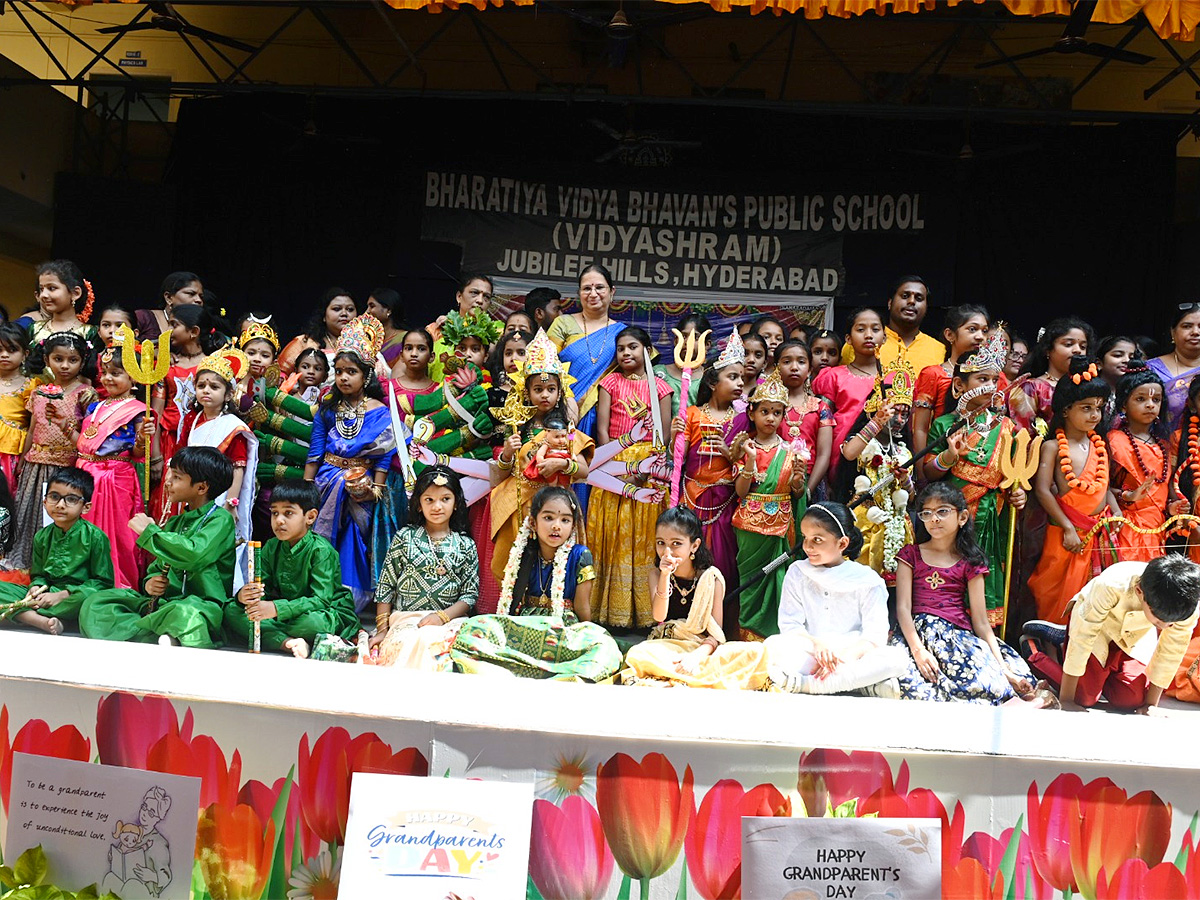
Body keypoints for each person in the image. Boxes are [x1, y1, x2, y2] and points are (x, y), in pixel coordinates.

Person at [893, 483, 1047, 706]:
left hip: (956, 636)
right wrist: (918, 651)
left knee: (989, 683)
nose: (934, 519)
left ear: (962, 517)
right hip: (915, 635)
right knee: (911, 686)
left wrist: (1003, 668)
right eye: (927, 513)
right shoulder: (910, 555)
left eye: (942, 511)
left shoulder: (970, 563)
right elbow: (903, 609)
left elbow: (982, 623)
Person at [452, 486, 622, 681]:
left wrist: (586, 636)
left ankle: (525, 670)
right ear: (533, 522)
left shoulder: (580, 555)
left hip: (561, 632)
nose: (556, 526)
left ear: (573, 526)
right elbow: (512, 603)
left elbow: (582, 607)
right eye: (548, 518)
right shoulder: (523, 551)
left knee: (603, 646)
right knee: (476, 627)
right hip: (525, 627)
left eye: (565, 520)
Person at [80, 446, 235, 648]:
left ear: (201, 488)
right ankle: (163, 633)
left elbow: (194, 554)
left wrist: (150, 532)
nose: (168, 482)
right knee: (97, 603)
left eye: (177, 477)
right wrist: (149, 583)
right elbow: (157, 569)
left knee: (186, 614)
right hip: (163, 605)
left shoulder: (220, 519)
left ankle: (159, 632)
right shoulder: (175, 522)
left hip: (199, 605)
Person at [923, 332, 1027, 628]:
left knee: (989, 574)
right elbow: (928, 474)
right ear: (959, 385)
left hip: (993, 517)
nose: (990, 386)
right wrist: (949, 457)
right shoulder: (945, 425)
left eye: (994, 380)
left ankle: (987, 637)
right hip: (953, 519)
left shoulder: (1007, 427)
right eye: (982, 379)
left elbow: (1014, 475)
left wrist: (1018, 495)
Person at [763, 502, 907, 696]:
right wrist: (816, 646)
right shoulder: (797, 572)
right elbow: (790, 626)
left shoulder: (868, 580)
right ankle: (864, 686)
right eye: (805, 538)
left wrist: (843, 657)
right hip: (811, 653)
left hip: (852, 655)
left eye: (817, 539)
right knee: (773, 647)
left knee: (896, 658)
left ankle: (807, 685)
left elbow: (874, 636)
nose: (808, 546)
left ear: (842, 544)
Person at [1024, 555, 1200, 712]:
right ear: (1139, 592)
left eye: (1172, 622)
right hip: (1096, 629)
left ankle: (1089, 666)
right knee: (1084, 697)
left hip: (1135, 637)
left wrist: (1150, 705)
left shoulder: (1188, 603)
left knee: (1132, 700)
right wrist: (1067, 700)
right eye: (1159, 619)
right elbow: (1083, 636)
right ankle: (1034, 651)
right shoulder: (1110, 584)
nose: (1166, 625)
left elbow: (1171, 651)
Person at [305, 314, 396, 611]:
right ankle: (319, 593)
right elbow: (315, 451)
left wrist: (375, 490)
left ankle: (350, 599)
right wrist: (307, 489)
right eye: (340, 371)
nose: (344, 377)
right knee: (322, 539)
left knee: (354, 538)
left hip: (362, 484)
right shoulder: (327, 407)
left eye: (351, 371)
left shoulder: (381, 412)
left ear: (366, 376)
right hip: (326, 480)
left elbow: (384, 455)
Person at [623, 507, 767, 690]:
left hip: (702, 648)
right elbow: (660, 616)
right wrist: (665, 575)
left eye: (676, 543)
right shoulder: (656, 574)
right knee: (639, 653)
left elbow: (716, 635)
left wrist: (695, 657)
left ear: (694, 545)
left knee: (755, 652)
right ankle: (693, 677)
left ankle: (681, 675)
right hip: (668, 645)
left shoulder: (711, 578)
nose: (667, 551)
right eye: (661, 543)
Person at [587, 326, 671, 628]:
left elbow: (663, 432)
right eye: (621, 348)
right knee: (614, 531)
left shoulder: (660, 387)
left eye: (632, 347)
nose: (626, 353)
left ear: (646, 351)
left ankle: (648, 613)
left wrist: (650, 467)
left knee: (645, 535)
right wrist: (618, 463)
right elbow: (603, 430)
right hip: (614, 459)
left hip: (649, 465)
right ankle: (607, 611)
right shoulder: (609, 383)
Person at [224, 480, 358, 659]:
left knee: (312, 623)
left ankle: (277, 636)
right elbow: (260, 588)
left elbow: (320, 600)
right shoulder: (271, 546)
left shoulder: (321, 550)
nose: (279, 520)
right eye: (274, 513)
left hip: (319, 612)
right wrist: (245, 596)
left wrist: (276, 609)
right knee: (232, 611)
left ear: (310, 517)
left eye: (288, 513)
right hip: (282, 613)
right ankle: (289, 643)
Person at [1027, 359, 1115, 625]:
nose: (1094, 416)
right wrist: (1067, 527)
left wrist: (1117, 518)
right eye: (1086, 408)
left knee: (1096, 600)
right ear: (1065, 410)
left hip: (1098, 533)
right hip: (1065, 534)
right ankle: (1050, 654)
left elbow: (1106, 488)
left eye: (1098, 408)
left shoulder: (1100, 445)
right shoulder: (1052, 446)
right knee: (1054, 594)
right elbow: (1042, 490)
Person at [4, 333, 96, 573]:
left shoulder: (86, 393)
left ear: (82, 361)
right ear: (46, 359)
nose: (65, 365)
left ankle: (56, 565)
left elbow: (88, 434)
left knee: (58, 515)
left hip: (65, 465)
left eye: (72, 360)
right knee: (28, 515)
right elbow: (33, 428)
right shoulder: (39, 392)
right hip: (35, 463)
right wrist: (23, 459)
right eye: (58, 359)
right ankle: (27, 564)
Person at [672, 331, 746, 620]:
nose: (741, 383)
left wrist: (729, 453)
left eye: (742, 378)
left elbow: (744, 462)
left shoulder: (742, 418)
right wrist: (673, 435)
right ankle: (685, 619)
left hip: (724, 503)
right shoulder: (691, 414)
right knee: (689, 561)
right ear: (713, 383)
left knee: (723, 564)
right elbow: (677, 458)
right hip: (692, 499)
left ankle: (719, 623)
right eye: (733, 377)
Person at [373, 467, 478, 668]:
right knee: (419, 643)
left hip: (450, 621)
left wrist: (442, 616)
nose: (437, 506)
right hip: (407, 621)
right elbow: (385, 586)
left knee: (451, 651)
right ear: (419, 505)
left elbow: (469, 595)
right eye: (429, 500)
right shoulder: (405, 538)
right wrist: (381, 630)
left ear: (456, 503)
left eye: (445, 499)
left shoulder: (466, 544)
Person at [176, 348, 259, 588]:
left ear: (228, 393)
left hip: (220, 496)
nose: (206, 391)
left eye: (214, 387)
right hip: (190, 493)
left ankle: (217, 591)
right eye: (201, 386)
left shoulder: (233, 427)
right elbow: (180, 454)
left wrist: (230, 505)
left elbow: (238, 468)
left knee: (214, 544)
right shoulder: (191, 420)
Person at [733, 369, 806, 639]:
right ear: (752, 413)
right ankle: (747, 638)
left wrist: (798, 480)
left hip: (781, 529)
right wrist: (750, 462)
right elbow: (741, 492)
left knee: (780, 581)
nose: (771, 418)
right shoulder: (744, 446)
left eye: (777, 412)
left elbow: (798, 495)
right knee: (751, 584)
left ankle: (776, 639)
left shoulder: (791, 451)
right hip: (750, 529)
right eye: (765, 411)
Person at [0, 468, 113, 635]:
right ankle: (43, 620)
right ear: (45, 502)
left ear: (86, 507)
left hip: (76, 596)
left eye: (71, 499)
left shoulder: (96, 537)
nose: (60, 505)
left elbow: (103, 583)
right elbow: (39, 574)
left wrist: (63, 595)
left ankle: (28, 615)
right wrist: (36, 587)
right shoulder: (42, 537)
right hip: (46, 595)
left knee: (91, 602)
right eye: (54, 497)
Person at [78, 347, 153, 590]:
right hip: (86, 473)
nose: (108, 378)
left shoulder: (139, 410)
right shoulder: (95, 407)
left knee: (117, 534)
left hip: (116, 478)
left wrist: (143, 438)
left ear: (133, 378)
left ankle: (117, 584)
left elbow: (139, 454)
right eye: (105, 372)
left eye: (116, 373)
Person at [839, 359, 915, 583]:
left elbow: (911, 497)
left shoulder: (903, 451)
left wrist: (905, 480)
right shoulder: (862, 442)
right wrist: (877, 422)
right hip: (863, 519)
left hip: (896, 523)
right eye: (895, 413)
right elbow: (849, 454)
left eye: (905, 414)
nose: (900, 420)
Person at [1107, 360, 1184, 563]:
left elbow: (1161, 491)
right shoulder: (1115, 441)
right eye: (1140, 399)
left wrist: (1171, 508)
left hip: (1157, 529)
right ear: (1124, 403)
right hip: (1126, 527)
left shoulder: (1164, 445)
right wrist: (1128, 496)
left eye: (1156, 400)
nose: (1150, 405)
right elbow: (1104, 489)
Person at [149, 304, 220, 520]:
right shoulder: (165, 366)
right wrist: (156, 456)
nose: (168, 331)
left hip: (202, 442)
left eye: (174, 325)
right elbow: (156, 414)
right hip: (170, 444)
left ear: (194, 331)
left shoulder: (214, 365)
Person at [547, 264, 625, 448]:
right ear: (579, 293)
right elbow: (545, 366)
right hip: (564, 411)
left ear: (612, 291)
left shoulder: (622, 333)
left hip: (605, 417)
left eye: (599, 287)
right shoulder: (563, 324)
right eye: (586, 288)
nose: (593, 293)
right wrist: (568, 399)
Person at [812, 307, 883, 486]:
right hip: (839, 455)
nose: (868, 335)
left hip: (882, 458)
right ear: (848, 339)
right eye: (860, 329)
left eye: (875, 329)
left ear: (884, 336)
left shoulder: (895, 378)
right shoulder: (833, 376)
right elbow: (821, 425)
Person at [912, 304, 990, 457]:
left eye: (985, 331)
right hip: (940, 456)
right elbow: (920, 429)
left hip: (981, 455)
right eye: (972, 329)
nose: (980, 336)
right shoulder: (934, 374)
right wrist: (921, 474)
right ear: (950, 335)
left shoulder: (993, 377)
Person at [839, 277, 944, 373]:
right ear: (890, 303)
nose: (911, 301)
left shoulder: (939, 350)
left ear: (926, 307)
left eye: (919, 298)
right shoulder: (858, 343)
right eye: (905, 296)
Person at [1008, 316, 1093, 434]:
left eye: (1083, 346)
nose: (1077, 350)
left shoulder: (1087, 387)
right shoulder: (1031, 388)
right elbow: (1022, 436)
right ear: (1047, 350)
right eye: (1068, 344)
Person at [23, 260, 98, 370]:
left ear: (75, 293)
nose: (43, 295)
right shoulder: (34, 328)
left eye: (51, 288)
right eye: (41, 289)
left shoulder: (89, 333)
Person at [278, 287, 358, 375]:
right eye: (337, 309)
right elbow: (279, 375)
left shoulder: (367, 345)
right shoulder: (304, 343)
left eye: (350, 309)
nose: (344, 314)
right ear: (324, 315)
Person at [429, 274, 494, 381]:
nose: (480, 300)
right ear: (459, 297)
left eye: (486, 296)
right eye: (474, 293)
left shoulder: (494, 335)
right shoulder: (436, 330)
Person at [1148, 303, 1200, 432]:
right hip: (1158, 448)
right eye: (1187, 326)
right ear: (1173, 332)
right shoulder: (1151, 369)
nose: (1195, 332)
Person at [654, 313, 709, 419]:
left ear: (707, 344)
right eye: (684, 336)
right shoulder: (658, 373)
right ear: (675, 341)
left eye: (696, 337)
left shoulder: (710, 377)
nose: (688, 342)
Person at [0, 324, 32, 495]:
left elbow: (35, 427)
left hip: (12, 455)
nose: (4, 355)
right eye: (0, 350)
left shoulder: (32, 386)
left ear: (25, 354)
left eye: (12, 350)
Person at [134, 271, 203, 342]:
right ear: (169, 298)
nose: (199, 300)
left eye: (201, 296)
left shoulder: (200, 326)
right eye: (191, 294)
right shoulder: (143, 317)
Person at [1096, 334, 1139, 430]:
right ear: (1099, 363)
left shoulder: (1134, 393)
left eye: (1131, 358)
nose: (1126, 360)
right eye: (1118, 355)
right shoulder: (1088, 391)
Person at [366, 288, 406, 370]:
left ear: (388, 310)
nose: (367, 311)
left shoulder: (405, 339)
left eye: (372, 306)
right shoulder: (367, 340)